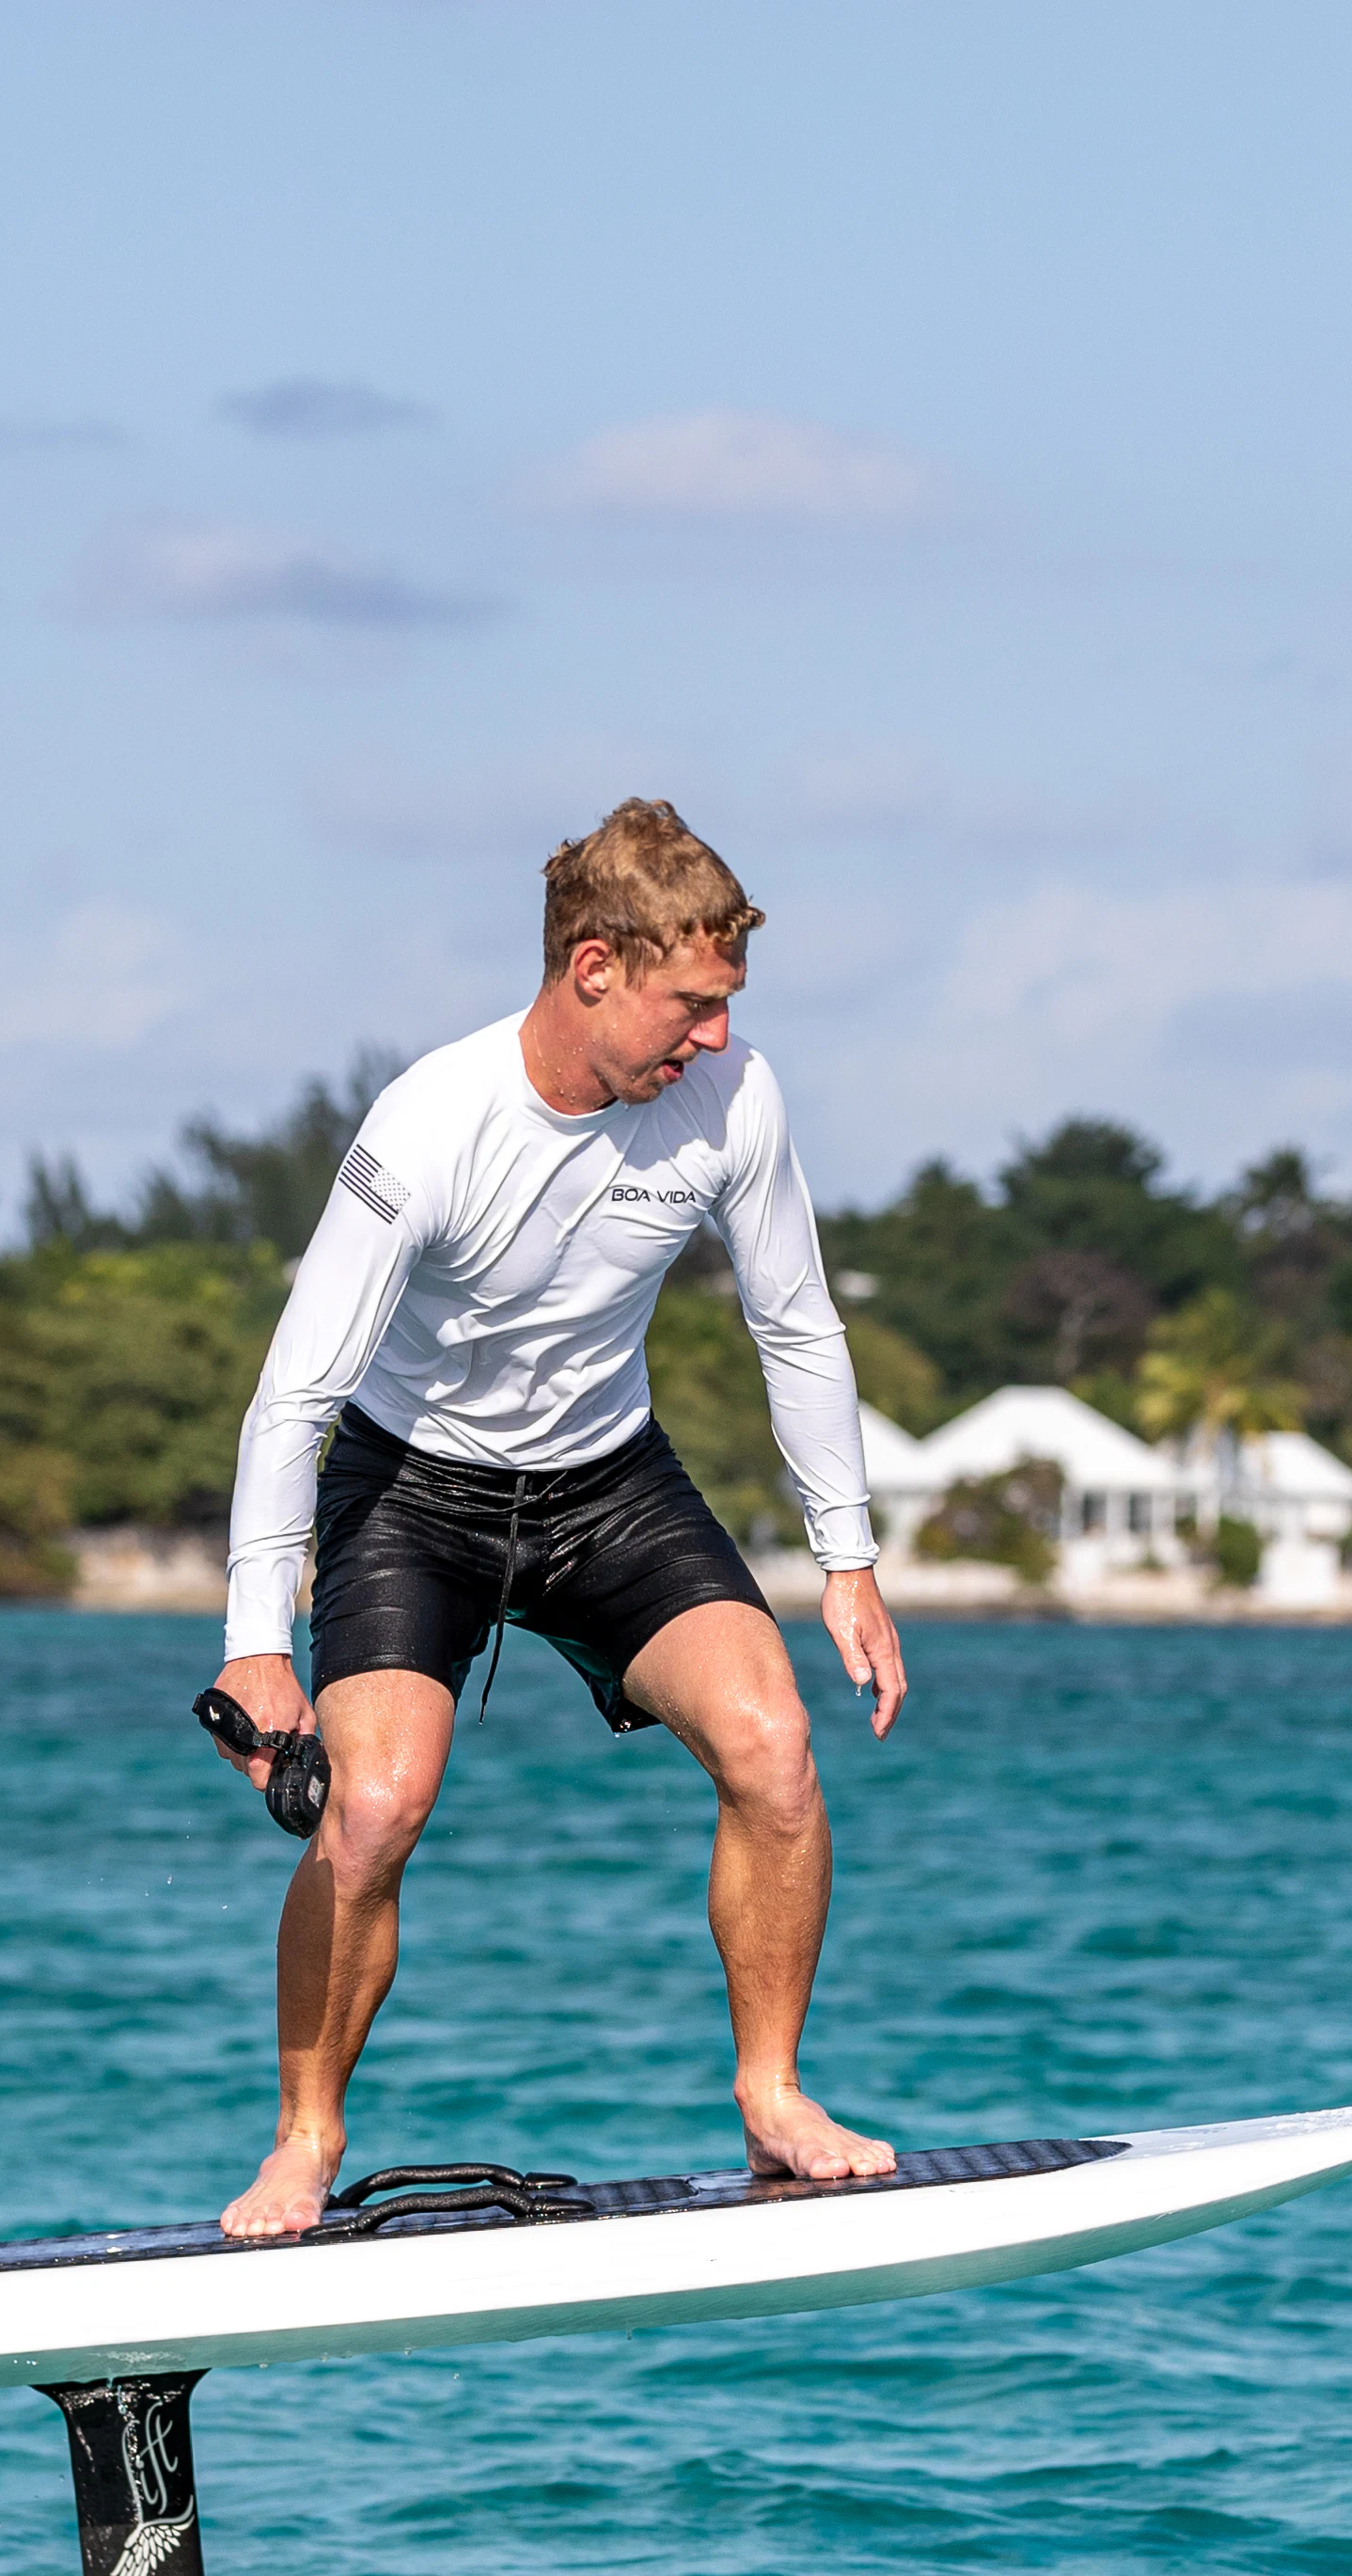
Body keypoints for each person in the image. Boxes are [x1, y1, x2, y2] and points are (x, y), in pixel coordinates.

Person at [204, 800, 909, 2238]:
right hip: (414, 1490)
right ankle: (303, 2138)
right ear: (595, 969)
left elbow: (798, 1323)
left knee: (773, 1744)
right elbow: (294, 1396)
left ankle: (774, 2095)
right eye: (691, 1006)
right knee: (376, 1808)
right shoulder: (432, 1124)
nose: (711, 1040)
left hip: (611, 1483)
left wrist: (849, 1559)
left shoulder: (735, 1099)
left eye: (726, 1009)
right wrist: (253, 1643)